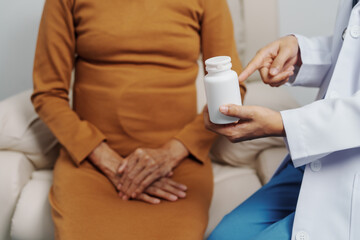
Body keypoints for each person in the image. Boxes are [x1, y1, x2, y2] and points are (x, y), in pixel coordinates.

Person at [31, 0, 246, 239]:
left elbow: (232, 89)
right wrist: (109, 162)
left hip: (176, 168)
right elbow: (47, 94)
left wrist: (170, 154)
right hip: (91, 165)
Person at [205, 0, 360, 239]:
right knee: (223, 235)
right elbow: (352, 48)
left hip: (350, 171)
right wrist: (301, 53)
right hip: (318, 155)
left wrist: (282, 124)